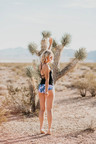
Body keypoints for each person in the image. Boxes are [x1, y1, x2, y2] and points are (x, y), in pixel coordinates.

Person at [38, 38, 55, 135]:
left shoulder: (41, 64)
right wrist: (47, 90)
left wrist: (50, 45)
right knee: (49, 109)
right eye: (51, 57)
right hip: (48, 87)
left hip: (40, 86)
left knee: (42, 109)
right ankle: (49, 129)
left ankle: (41, 128)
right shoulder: (47, 66)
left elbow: (47, 52)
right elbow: (48, 79)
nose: (51, 58)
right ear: (48, 58)